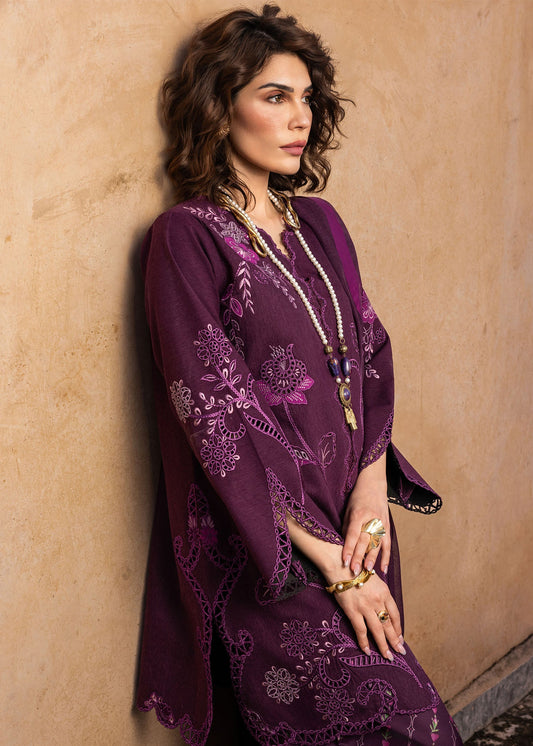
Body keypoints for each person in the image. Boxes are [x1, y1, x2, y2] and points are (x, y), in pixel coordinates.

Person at [135, 5, 462, 744]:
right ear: (221, 108)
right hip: (275, 547)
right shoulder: (187, 238)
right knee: (406, 726)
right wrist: (328, 562)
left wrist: (370, 497)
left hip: (356, 523)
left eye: (307, 97)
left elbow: (369, 357)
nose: (299, 118)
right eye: (274, 96)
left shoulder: (321, 224)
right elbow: (212, 411)